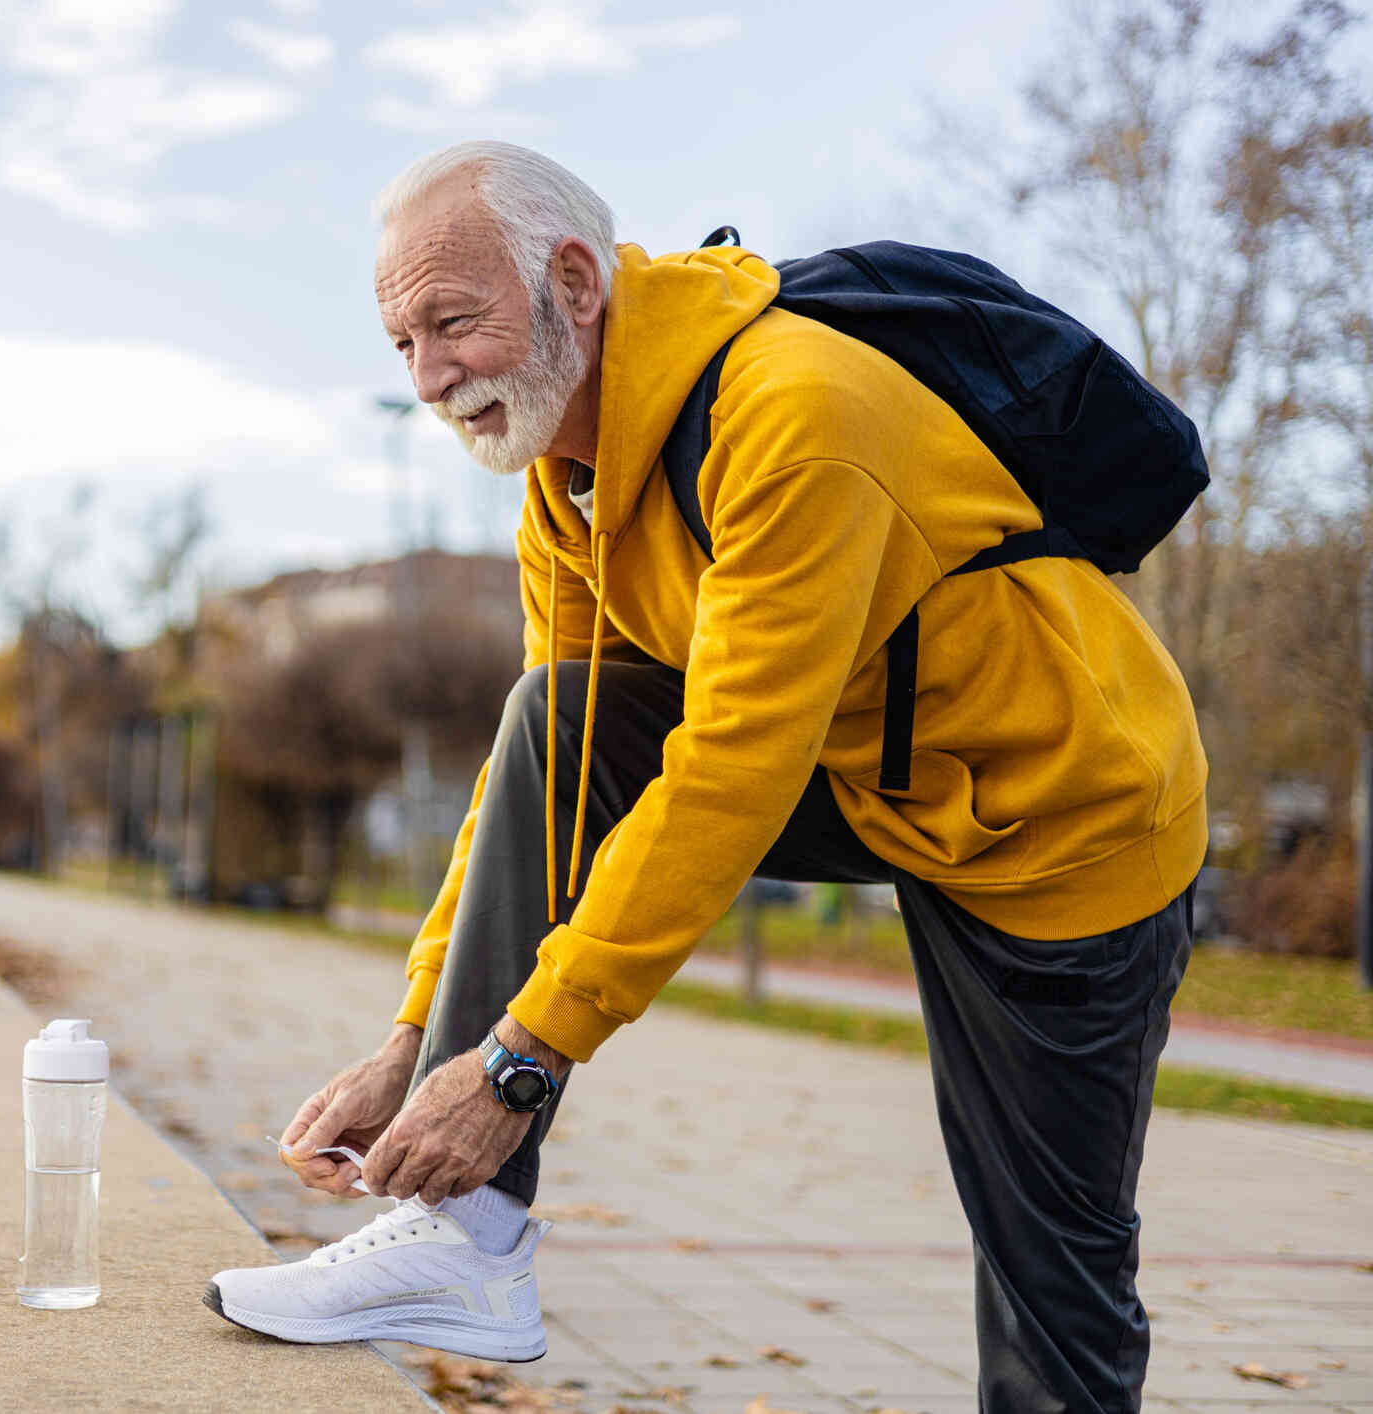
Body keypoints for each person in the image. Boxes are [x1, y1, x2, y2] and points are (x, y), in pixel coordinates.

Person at [205, 141, 1206, 1414]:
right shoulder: (565, 481)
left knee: (1052, 1274)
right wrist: (418, 1036)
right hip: (870, 772)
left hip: (1064, 819)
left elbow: (728, 775)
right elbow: (550, 781)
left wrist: (518, 1064)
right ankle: (471, 1243)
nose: (429, 378)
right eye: (402, 344)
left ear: (573, 282)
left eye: (453, 324)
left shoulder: (792, 417)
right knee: (558, 714)